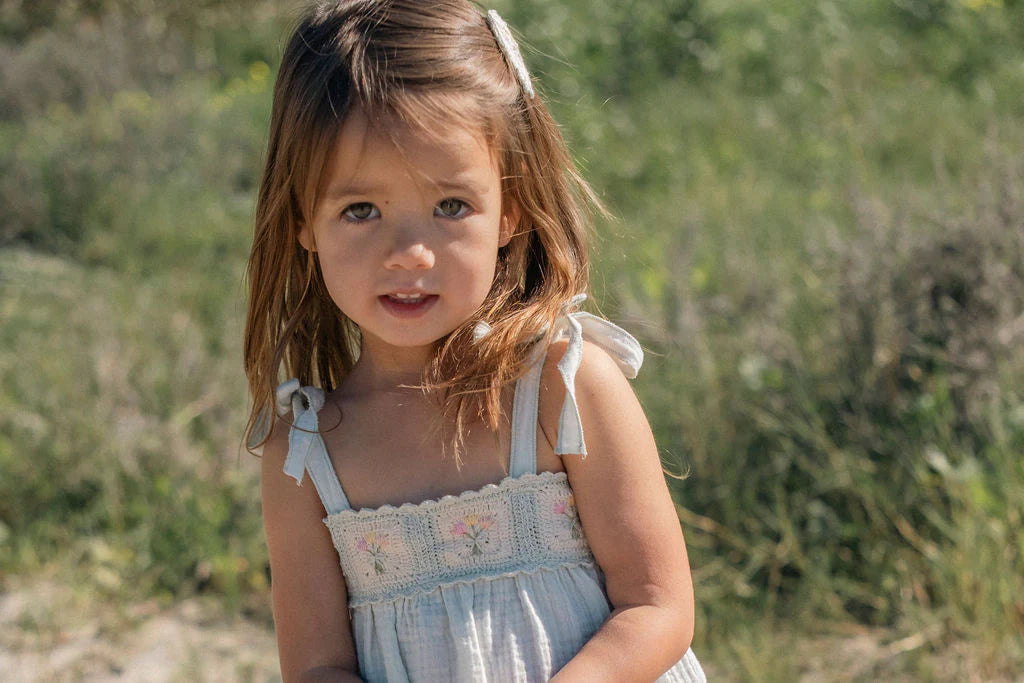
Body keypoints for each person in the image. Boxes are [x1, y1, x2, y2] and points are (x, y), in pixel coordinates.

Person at [244, 1, 706, 680]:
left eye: (450, 206)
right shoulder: (307, 456)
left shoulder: (563, 387)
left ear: (509, 210)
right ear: (303, 222)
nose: (409, 253)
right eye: (361, 210)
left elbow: (658, 603)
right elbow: (317, 666)